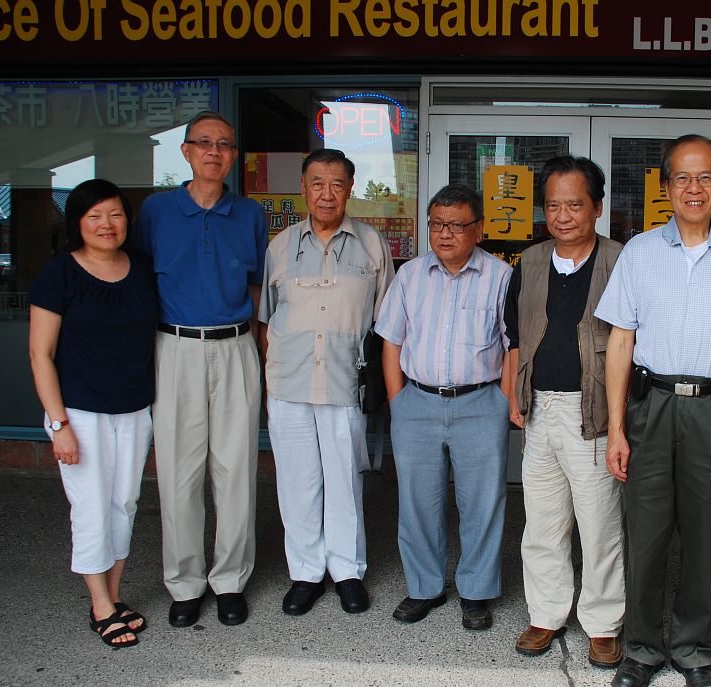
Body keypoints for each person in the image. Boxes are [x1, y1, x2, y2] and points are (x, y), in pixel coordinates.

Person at [596, 135, 711, 687]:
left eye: (705, 177)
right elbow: (620, 342)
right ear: (665, 187)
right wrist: (617, 428)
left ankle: (694, 649)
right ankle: (641, 648)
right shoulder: (640, 252)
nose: (694, 188)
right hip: (652, 407)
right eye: (682, 178)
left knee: (705, 536)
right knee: (645, 533)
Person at [132, 111, 268, 628]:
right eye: (204, 143)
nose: (214, 151)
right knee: (178, 471)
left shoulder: (249, 214)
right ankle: (185, 582)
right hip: (175, 346)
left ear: (234, 156)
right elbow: (137, 280)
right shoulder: (156, 211)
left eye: (224, 144)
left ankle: (230, 579)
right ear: (186, 152)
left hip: (235, 346)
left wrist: (258, 350)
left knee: (236, 470)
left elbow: (257, 286)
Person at [258, 149, 394, 616]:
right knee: (297, 482)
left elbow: (386, 323)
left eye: (336, 184)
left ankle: (347, 571)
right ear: (303, 188)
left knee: (344, 482)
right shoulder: (280, 247)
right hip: (289, 383)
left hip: (345, 383)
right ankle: (305, 572)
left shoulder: (372, 245)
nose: (326, 193)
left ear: (350, 189)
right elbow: (266, 321)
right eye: (317, 183)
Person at [503, 156, 625, 668]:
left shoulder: (620, 260)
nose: (563, 215)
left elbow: (631, 342)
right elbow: (514, 337)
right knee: (542, 522)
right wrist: (513, 395)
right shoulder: (530, 262)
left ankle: (603, 623)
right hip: (540, 410)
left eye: (575, 204)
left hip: (591, 412)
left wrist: (621, 420)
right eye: (553, 205)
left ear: (597, 207)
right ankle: (546, 614)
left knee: (599, 525)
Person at [376, 184, 512, 630]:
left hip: (480, 403)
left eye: (456, 225)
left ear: (479, 229)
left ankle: (476, 591)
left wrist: (503, 401)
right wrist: (398, 401)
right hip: (416, 403)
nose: (445, 234)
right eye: (437, 224)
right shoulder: (410, 275)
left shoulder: (500, 276)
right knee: (418, 503)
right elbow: (391, 341)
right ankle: (424, 587)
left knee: (482, 504)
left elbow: (512, 346)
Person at [29, 179, 156, 648]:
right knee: (90, 506)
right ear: (77, 223)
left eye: (115, 214)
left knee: (125, 502)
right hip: (80, 412)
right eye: (95, 216)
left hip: (134, 407)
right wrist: (58, 424)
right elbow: (40, 354)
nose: (107, 224)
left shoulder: (141, 268)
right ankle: (100, 605)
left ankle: (115, 596)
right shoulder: (59, 273)